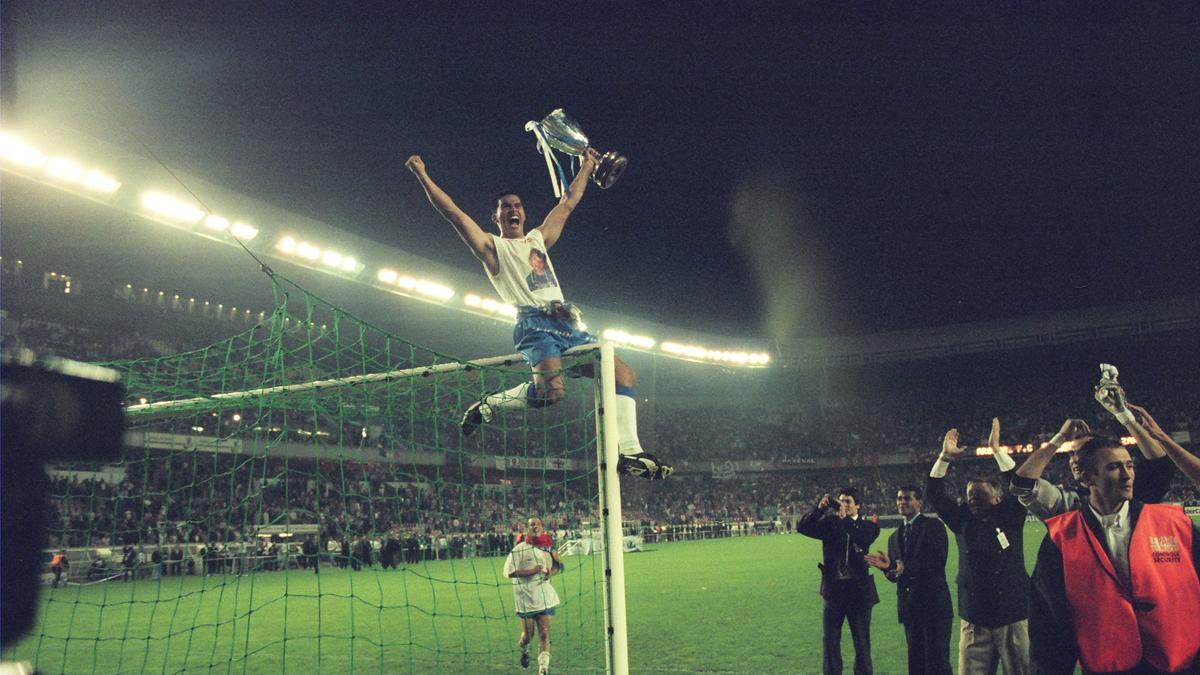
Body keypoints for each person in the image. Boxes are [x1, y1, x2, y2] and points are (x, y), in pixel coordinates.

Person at [406, 153, 670, 480]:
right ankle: (488, 404)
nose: (513, 209)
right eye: (506, 206)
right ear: (496, 216)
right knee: (552, 394)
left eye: (517, 205)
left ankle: (629, 452)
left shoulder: (537, 239)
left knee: (623, 374)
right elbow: (455, 215)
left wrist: (587, 165)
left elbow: (569, 202)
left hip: (567, 322)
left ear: (523, 212)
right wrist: (422, 174)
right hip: (534, 325)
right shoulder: (492, 247)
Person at [1029, 435, 1200, 674]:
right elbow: (1048, 623)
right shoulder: (1060, 537)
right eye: (1114, 467)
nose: (1127, 475)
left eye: (1129, 465)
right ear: (1087, 477)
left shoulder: (1176, 523)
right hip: (1108, 666)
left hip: (1179, 665)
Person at [927, 421, 1031, 675]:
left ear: (997, 498)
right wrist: (944, 458)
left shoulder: (1011, 516)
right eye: (970, 495)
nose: (972, 499)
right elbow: (935, 494)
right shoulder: (961, 520)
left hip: (1013, 616)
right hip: (974, 619)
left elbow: (1021, 486)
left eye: (980, 495)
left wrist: (996, 450)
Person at [1011, 396, 1176, 520]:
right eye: (1071, 454)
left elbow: (1161, 466)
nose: (1075, 459)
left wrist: (1126, 418)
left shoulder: (1132, 493)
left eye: (1084, 452)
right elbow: (1022, 484)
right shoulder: (1066, 501)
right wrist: (1059, 438)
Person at [865, 486, 953, 675]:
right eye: (899, 498)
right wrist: (887, 568)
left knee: (938, 663)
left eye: (907, 498)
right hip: (910, 608)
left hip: (934, 607)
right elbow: (897, 575)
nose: (901, 502)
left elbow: (937, 562)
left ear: (919, 504)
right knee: (916, 663)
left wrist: (904, 569)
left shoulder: (934, 526)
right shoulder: (894, 537)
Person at [797, 487, 880, 675]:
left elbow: (863, 537)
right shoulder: (831, 524)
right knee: (830, 642)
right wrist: (819, 509)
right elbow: (802, 527)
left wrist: (845, 520)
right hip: (834, 592)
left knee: (861, 642)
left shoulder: (869, 526)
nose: (844, 505)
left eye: (848, 501)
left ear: (858, 505)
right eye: (841, 501)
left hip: (858, 593)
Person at [503, 517, 561, 674]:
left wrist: (551, 573)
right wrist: (533, 570)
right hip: (525, 598)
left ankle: (543, 669)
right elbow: (509, 572)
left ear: (542, 527)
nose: (535, 527)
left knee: (544, 632)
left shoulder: (548, 546)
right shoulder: (520, 549)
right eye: (532, 525)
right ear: (527, 529)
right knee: (528, 636)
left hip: (544, 595)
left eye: (537, 524)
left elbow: (557, 565)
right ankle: (525, 649)